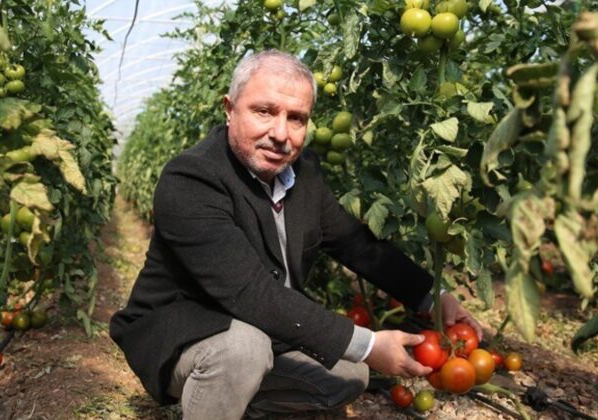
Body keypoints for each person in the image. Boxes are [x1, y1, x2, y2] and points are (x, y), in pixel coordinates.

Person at [109, 49, 482, 419]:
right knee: (245, 350)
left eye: (297, 118)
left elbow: (355, 245)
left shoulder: (302, 175)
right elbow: (249, 292)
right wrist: (368, 343)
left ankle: (236, 397)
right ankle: (215, 390)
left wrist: (432, 297)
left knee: (349, 373)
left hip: (258, 327)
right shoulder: (192, 179)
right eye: (264, 111)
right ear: (229, 108)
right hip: (182, 332)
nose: (281, 134)